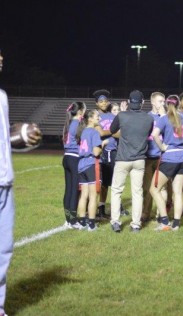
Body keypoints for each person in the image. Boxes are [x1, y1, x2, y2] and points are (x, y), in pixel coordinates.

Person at [1, 50, 42, 316]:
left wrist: (21, 138)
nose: (2, 57)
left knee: (3, 250)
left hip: (5, 182)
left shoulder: (2, 97)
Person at [151, 94, 183, 231]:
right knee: (178, 192)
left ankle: (164, 221)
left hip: (169, 158)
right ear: (179, 104)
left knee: (154, 189)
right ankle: (176, 224)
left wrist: (162, 147)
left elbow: (154, 134)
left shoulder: (164, 119)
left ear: (167, 105)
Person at [109, 90, 154, 233]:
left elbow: (112, 129)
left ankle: (115, 222)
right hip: (139, 159)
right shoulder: (148, 118)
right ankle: (135, 224)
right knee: (137, 192)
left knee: (116, 190)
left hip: (122, 158)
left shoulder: (122, 115)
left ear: (128, 102)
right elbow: (147, 133)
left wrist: (122, 113)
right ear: (142, 102)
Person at [92, 90, 128, 218]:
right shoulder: (95, 116)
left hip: (113, 152)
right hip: (100, 152)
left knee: (115, 181)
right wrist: (112, 132)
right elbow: (100, 133)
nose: (104, 103)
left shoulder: (113, 116)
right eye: (101, 101)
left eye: (106, 101)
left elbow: (120, 133)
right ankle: (101, 208)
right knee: (103, 183)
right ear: (96, 103)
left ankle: (117, 207)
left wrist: (110, 132)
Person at [76, 109, 106, 231]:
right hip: (91, 164)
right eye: (97, 116)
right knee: (94, 195)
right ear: (90, 119)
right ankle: (92, 224)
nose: (99, 118)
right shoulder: (94, 132)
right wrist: (103, 144)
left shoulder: (83, 132)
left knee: (84, 195)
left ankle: (82, 222)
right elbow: (96, 151)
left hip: (81, 165)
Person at [141, 92, 168, 222]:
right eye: (160, 101)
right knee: (146, 188)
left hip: (162, 157)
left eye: (164, 101)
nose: (162, 104)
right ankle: (145, 213)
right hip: (148, 157)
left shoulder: (167, 117)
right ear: (152, 102)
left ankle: (160, 214)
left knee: (162, 187)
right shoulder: (147, 117)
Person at [62, 101, 86, 229]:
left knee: (68, 190)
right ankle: (72, 220)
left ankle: (68, 220)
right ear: (80, 111)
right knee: (74, 191)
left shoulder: (68, 123)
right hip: (74, 158)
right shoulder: (77, 124)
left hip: (66, 157)